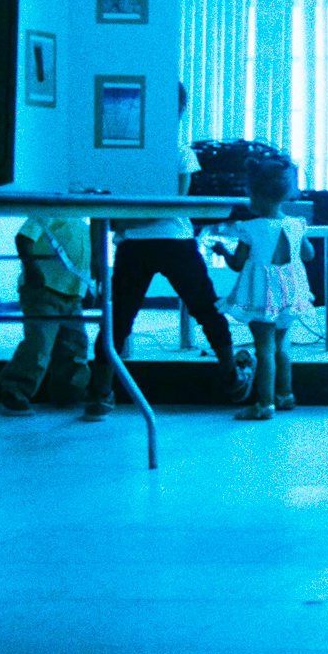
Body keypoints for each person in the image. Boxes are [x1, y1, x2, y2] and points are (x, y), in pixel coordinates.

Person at [96, 82, 250, 414]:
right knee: (207, 308)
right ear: (179, 112)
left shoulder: (126, 153)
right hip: (175, 242)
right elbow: (174, 205)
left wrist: (126, 224)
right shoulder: (181, 152)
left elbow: (120, 205)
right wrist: (132, 222)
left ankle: (100, 392)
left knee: (120, 315)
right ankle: (232, 376)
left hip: (133, 245)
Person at [210, 157, 316, 421]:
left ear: (252, 193)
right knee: (282, 345)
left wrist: (222, 250)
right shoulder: (296, 224)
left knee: (264, 348)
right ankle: (285, 394)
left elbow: (237, 264)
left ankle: (265, 404)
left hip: (260, 293)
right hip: (289, 293)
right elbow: (309, 254)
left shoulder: (248, 228)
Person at [0, 217, 91, 416]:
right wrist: (32, 269)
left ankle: (68, 393)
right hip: (43, 289)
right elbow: (23, 238)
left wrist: (86, 286)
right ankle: (15, 390)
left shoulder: (81, 222)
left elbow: (82, 258)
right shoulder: (48, 211)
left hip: (72, 294)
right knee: (39, 343)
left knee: (74, 345)